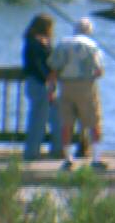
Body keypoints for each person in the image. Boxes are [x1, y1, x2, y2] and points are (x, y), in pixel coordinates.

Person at [50, 18, 107, 171]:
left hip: (65, 86)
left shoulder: (62, 44)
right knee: (94, 122)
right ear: (89, 31)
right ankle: (96, 159)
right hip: (86, 87)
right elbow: (99, 70)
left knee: (67, 123)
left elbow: (54, 69)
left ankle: (68, 159)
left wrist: (52, 89)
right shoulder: (91, 45)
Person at [20, 14, 62, 161]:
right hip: (38, 84)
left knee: (55, 116)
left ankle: (57, 149)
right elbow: (36, 65)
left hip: (46, 84)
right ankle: (32, 152)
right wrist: (47, 79)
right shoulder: (32, 42)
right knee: (38, 119)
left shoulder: (44, 42)